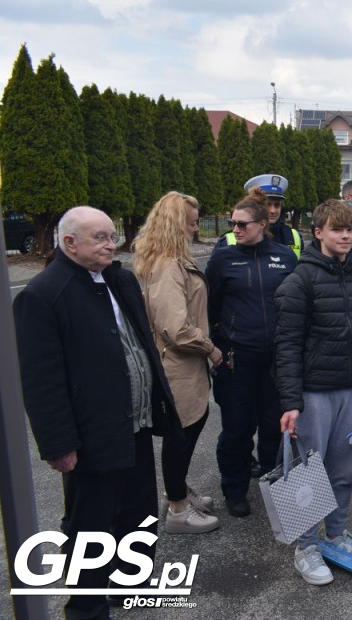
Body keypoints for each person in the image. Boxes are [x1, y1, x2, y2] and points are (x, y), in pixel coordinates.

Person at [14, 206, 183, 619]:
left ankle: (132, 586)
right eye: (101, 238)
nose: (112, 244)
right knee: (90, 528)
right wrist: (58, 444)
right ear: (68, 242)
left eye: (112, 236)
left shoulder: (118, 278)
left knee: (140, 515)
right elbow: (41, 382)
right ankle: (87, 608)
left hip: (136, 425)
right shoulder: (41, 296)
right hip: (92, 437)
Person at [275, 199, 352, 585]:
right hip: (314, 393)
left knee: (344, 469)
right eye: (337, 229)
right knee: (308, 472)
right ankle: (306, 546)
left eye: (350, 230)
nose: (345, 235)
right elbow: (287, 347)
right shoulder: (300, 281)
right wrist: (291, 402)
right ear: (319, 233)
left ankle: (337, 531)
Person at [206, 188, 298, 517]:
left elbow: (296, 305)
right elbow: (210, 307)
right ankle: (235, 488)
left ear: (262, 224)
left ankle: (276, 485)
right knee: (237, 428)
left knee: (275, 427)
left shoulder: (285, 257)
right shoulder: (222, 258)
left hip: (277, 360)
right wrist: (219, 347)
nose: (236, 229)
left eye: (243, 224)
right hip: (237, 360)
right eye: (233, 224)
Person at [133, 192, 220, 534]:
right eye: (193, 220)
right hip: (179, 366)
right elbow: (176, 328)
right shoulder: (169, 264)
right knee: (181, 435)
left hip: (185, 365)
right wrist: (210, 348)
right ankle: (179, 510)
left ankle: (178, 492)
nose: (197, 225)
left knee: (189, 428)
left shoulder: (171, 259)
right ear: (176, 222)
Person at [217, 174, 303, 259]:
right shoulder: (227, 241)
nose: (273, 210)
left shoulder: (294, 237)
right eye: (267, 204)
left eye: (277, 205)